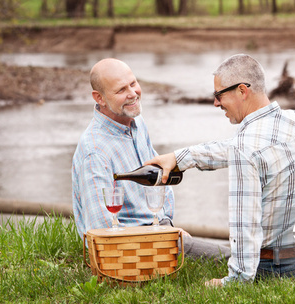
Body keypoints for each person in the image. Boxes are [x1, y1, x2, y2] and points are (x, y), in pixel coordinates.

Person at [146, 54, 295, 285]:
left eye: (219, 95)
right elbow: (243, 149)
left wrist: (233, 282)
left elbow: (246, 228)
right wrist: (180, 157)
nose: (215, 103)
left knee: (186, 248)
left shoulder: (244, 149)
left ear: (242, 91)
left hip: (282, 269)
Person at [72, 58, 230, 261]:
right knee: (228, 259)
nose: (132, 93)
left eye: (133, 83)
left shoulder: (136, 122)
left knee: (229, 251)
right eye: (121, 90)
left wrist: (165, 226)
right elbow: (100, 230)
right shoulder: (94, 151)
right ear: (99, 98)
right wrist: (159, 238)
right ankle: (264, 268)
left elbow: (157, 182)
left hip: (157, 230)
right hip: (132, 247)